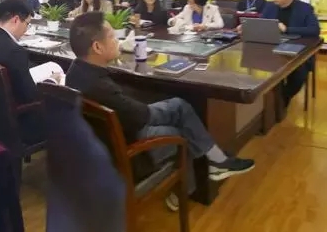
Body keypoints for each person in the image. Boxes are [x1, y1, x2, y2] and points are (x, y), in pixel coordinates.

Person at [65, 12, 255, 211]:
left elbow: (128, 109)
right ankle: (202, 175)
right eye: (112, 37)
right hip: (130, 150)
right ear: (97, 47)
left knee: (178, 110)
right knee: (182, 120)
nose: (118, 41)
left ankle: (212, 165)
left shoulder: (74, 73)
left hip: (102, 144)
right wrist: (144, 105)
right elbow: (142, 116)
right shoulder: (102, 87)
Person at [0, 0, 60, 106]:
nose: (26, 29)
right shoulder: (15, 51)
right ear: (16, 20)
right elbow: (30, 96)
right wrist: (51, 81)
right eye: (27, 24)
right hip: (15, 110)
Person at [260, 0, 320, 106]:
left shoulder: (305, 8)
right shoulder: (270, 7)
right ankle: (269, 102)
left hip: (297, 51)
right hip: (270, 49)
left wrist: (287, 29)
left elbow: (314, 30)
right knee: (257, 65)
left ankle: (282, 100)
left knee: (298, 74)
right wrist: (247, 27)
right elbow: (261, 24)